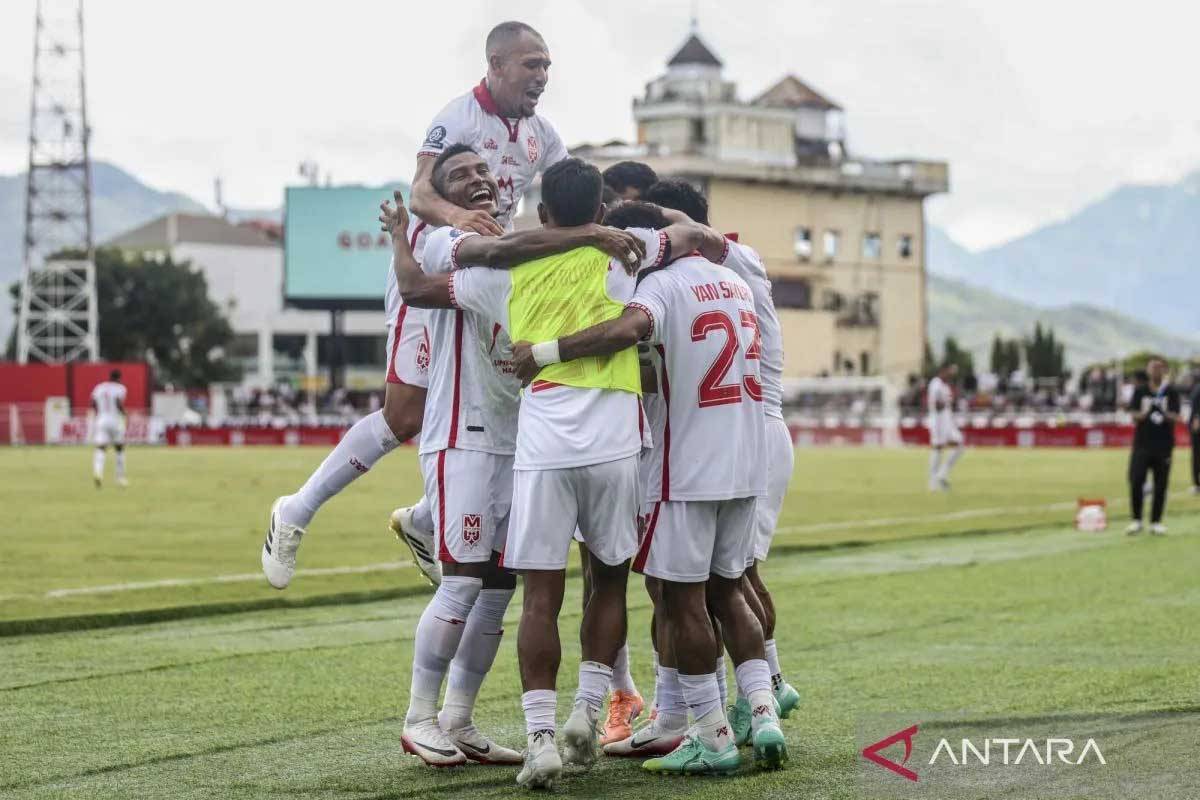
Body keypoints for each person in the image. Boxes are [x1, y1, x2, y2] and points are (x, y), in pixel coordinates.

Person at [382, 158, 707, 790]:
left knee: (539, 594)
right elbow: (692, 236)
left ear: (545, 215)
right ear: (600, 211)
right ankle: (587, 710)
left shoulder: (506, 268)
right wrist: (654, 221)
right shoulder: (629, 250)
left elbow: (417, 288)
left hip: (543, 442)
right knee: (607, 582)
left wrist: (400, 235)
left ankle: (539, 741)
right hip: (615, 438)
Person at [262, 20, 568, 591]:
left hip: (490, 272)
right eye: (532, 65)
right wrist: (461, 220)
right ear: (496, 64)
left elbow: (567, 191)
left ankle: (428, 520)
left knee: (498, 404)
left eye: (547, 66)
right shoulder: (456, 116)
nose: (542, 77)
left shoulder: (542, 134)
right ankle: (296, 509)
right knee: (405, 413)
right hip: (435, 262)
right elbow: (423, 190)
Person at [513, 200, 788, 776]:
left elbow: (630, 329)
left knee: (682, 600)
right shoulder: (731, 278)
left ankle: (711, 736)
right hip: (746, 457)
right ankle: (763, 712)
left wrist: (546, 352)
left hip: (686, 465)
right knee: (731, 589)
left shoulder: (661, 286)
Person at [642, 178, 801, 741]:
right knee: (730, 583)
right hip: (747, 437)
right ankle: (763, 698)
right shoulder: (732, 278)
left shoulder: (712, 267)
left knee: (694, 590)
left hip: (714, 439)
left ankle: (713, 723)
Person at [1126, 357, 1181, 535]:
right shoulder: (1140, 390)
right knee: (1136, 480)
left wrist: (1163, 412)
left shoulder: (1171, 392)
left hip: (1163, 445)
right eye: (1153, 368)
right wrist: (1144, 412)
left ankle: (1156, 522)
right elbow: (1133, 415)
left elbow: (1177, 417)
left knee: (1161, 484)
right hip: (1142, 444)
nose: (1156, 371)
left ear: (1164, 371)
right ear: (1148, 371)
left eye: (1159, 368)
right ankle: (1136, 520)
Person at [926, 363, 964, 490]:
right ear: (943, 371)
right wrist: (947, 401)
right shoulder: (935, 384)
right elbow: (935, 405)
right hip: (938, 422)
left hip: (947, 422)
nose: (950, 374)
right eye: (949, 371)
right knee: (937, 448)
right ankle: (933, 483)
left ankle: (942, 474)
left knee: (959, 444)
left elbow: (949, 403)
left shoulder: (945, 386)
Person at [91, 369, 128, 488]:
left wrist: (98, 414)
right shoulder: (120, 388)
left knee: (101, 448)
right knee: (119, 449)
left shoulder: (99, 387)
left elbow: (92, 402)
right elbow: (118, 402)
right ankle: (120, 478)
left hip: (101, 420)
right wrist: (124, 413)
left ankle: (98, 473)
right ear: (119, 378)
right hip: (115, 420)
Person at [1189, 364, 1200, 494]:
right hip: (1197, 427)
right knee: (1197, 455)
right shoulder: (1198, 389)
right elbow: (1195, 407)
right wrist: (1197, 419)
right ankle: (1196, 484)